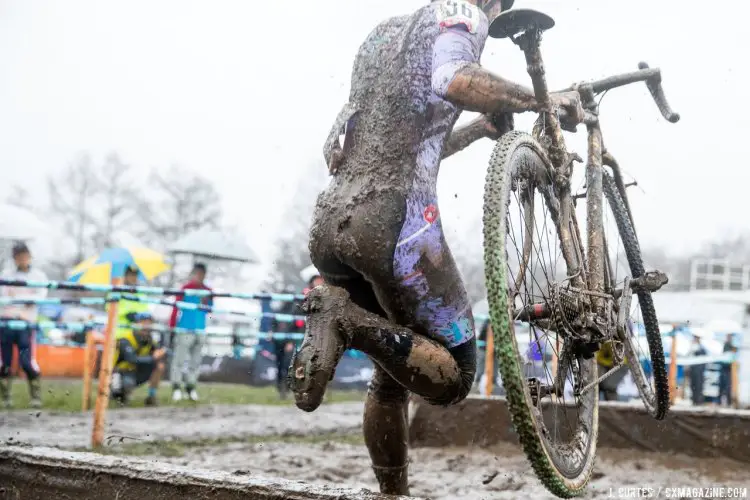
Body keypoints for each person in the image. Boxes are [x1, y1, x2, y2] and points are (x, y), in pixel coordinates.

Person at [288, 0, 586, 494]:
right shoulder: (463, 13)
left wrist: (475, 131)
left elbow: (397, 140)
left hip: (334, 223)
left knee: (394, 374)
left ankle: (393, 493)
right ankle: (345, 323)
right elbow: (453, 77)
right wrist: (542, 98)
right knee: (451, 377)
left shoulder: (383, 36)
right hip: (396, 229)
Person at [0, 242, 48, 409]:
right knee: (5, 363)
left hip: (26, 323)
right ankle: (5, 397)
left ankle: (35, 397)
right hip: (7, 321)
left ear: (29, 256)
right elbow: (4, 295)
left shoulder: (38, 276)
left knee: (27, 361)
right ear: (14, 258)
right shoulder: (6, 274)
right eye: (19, 257)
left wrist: (29, 299)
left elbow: (41, 295)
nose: (22, 260)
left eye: (25, 256)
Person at [168, 263, 212, 402]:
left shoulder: (208, 290)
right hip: (184, 328)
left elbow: (209, 309)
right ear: (193, 274)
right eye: (197, 273)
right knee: (179, 360)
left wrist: (206, 301)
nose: (199, 276)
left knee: (195, 362)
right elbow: (176, 308)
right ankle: (176, 387)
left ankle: (191, 387)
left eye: (202, 274)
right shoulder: (185, 289)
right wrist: (172, 326)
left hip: (200, 329)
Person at [111, 312, 166, 406]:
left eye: (149, 323)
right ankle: (118, 394)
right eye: (143, 322)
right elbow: (131, 359)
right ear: (136, 324)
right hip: (119, 372)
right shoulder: (126, 338)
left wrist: (160, 353)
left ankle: (151, 397)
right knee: (125, 384)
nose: (146, 326)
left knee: (160, 366)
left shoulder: (150, 339)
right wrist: (153, 357)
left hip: (134, 371)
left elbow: (158, 355)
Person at [473, 320, 499, 392]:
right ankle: (476, 385)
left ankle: (494, 386)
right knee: (480, 369)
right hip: (483, 349)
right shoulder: (487, 323)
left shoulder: (500, 324)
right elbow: (480, 338)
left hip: (494, 352)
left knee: (494, 370)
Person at [688, 333, 707, 406]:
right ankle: (694, 401)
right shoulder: (692, 347)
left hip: (699, 371)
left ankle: (698, 401)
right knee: (693, 385)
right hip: (693, 370)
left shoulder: (702, 349)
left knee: (699, 386)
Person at [719, 333, 737, 406]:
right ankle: (722, 402)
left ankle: (728, 402)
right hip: (725, 368)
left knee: (727, 386)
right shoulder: (726, 345)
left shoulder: (732, 346)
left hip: (728, 369)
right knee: (723, 386)